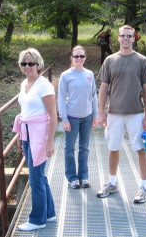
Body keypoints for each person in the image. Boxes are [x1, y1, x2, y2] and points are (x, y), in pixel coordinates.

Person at [96, 25, 146, 203]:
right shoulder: (110, 60)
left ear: (134, 38)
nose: (126, 39)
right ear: (118, 38)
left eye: (129, 36)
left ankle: (144, 187)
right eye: (123, 36)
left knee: (141, 149)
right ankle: (112, 183)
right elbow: (104, 87)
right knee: (113, 148)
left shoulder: (142, 61)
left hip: (136, 113)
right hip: (114, 112)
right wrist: (101, 112)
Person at [12, 48, 57, 231]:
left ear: (38, 64)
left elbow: (53, 115)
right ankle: (49, 213)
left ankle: (37, 220)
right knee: (40, 176)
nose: (27, 66)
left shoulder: (44, 85)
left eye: (31, 63)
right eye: (24, 63)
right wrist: (20, 134)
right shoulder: (24, 83)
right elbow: (25, 110)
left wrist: (50, 141)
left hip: (39, 135)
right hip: (27, 133)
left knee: (36, 178)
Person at [58, 45, 99, 189]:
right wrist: (64, 119)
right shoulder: (66, 75)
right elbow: (61, 98)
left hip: (87, 116)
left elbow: (94, 95)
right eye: (76, 56)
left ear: (85, 58)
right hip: (72, 117)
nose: (79, 59)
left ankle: (84, 176)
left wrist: (96, 115)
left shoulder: (89, 74)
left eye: (82, 56)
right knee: (69, 148)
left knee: (84, 147)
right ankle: (72, 177)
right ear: (72, 58)